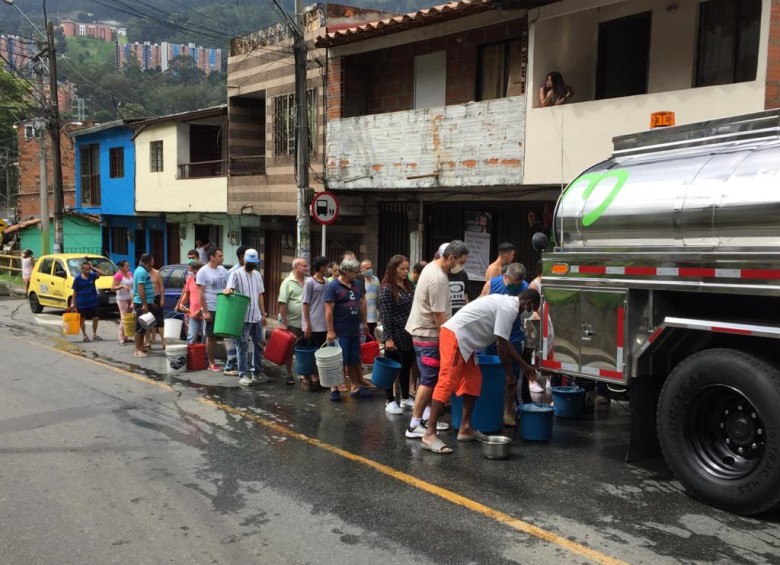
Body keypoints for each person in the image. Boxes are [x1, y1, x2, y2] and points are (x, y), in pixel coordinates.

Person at [420, 290, 540, 453]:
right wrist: (524, 366)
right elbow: (503, 343)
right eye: (532, 309)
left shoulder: (508, 305)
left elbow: (500, 345)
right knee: (447, 381)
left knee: (474, 379)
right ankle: (429, 433)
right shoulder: (508, 308)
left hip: (466, 342)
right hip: (455, 336)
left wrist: (510, 373)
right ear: (528, 304)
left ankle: (466, 427)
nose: (530, 313)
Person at [405, 240, 470, 439]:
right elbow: (439, 316)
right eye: (461, 261)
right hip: (428, 335)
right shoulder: (439, 279)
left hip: (423, 332)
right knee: (429, 379)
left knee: (428, 378)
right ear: (451, 258)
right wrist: (448, 342)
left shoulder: (432, 268)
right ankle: (414, 425)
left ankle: (422, 420)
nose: (461, 266)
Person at [484, 262, 533, 425]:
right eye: (512, 284)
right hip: (491, 336)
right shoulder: (492, 284)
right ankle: (490, 408)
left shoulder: (526, 289)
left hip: (513, 336)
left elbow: (532, 314)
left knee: (512, 377)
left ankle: (508, 412)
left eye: (518, 285)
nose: (514, 288)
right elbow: (481, 302)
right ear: (505, 277)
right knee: (490, 375)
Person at [324, 257, 373, 402]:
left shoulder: (357, 284)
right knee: (338, 361)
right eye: (354, 272)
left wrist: (364, 322)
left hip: (354, 329)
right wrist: (330, 330)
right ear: (345, 271)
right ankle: (334, 388)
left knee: (354, 359)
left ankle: (355, 387)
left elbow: (362, 303)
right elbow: (328, 310)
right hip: (340, 330)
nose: (357, 274)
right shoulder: (333, 286)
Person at [378, 254, 416, 414]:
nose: (405, 272)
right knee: (391, 369)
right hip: (394, 334)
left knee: (406, 367)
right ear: (393, 270)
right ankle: (390, 400)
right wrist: (388, 338)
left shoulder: (408, 286)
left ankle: (406, 398)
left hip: (408, 333)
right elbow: (386, 315)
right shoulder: (387, 289)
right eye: (402, 269)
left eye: (407, 269)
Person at [224, 248, 267, 386]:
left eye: (255, 263)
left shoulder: (257, 275)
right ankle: (243, 374)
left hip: (256, 316)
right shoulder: (235, 274)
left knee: (260, 343)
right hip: (242, 317)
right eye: (250, 262)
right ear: (244, 260)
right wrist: (228, 291)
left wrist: (263, 313)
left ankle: (258, 372)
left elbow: (260, 294)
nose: (253, 265)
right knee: (242, 346)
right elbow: (229, 289)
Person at [196, 247, 228, 371]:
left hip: (223, 307)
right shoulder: (203, 272)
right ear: (212, 257)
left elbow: (228, 286)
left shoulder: (222, 270)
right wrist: (206, 311)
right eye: (220, 256)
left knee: (225, 334)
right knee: (211, 336)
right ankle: (211, 362)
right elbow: (201, 293)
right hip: (211, 307)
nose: (222, 258)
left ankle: (229, 360)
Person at [301, 256, 330, 391]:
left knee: (321, 351)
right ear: (321, 267)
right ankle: (310, 376)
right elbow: (305, 304)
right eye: (326, 266)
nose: (328, 268)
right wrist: (307, 324)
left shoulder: (327, 282)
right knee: (311, 351)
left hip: (324, 324)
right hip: (313, 323)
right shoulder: (309, 283)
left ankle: (318, 375)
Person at [278, 257, 308, 385]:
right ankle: (289, 374)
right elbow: (282, 303)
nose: (306, 268)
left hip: (305, 322)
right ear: (295, 267)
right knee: (290, 350)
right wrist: (284, 323)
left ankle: (304, 373)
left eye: (306, 266)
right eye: (304, 266)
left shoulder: (308, 281)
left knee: (305, 349)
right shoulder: (287, 282)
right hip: (292, 323)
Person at [223, 246, 247, 377]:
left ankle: (240, 364)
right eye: (246, 256)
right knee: (233, 339)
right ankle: (229, 366)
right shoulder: (232, 272)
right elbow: (228, 291)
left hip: (246, 310)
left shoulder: (251, 271)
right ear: (240, 257)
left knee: (242, 339)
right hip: (235, 309)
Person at [70, 260, 106, 342]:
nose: (87, 271)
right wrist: (73, 302)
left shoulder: (92, 275)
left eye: (88, 269)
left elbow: (103, 273)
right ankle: (85, 335)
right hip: (81, 302)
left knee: (96, 318)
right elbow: (75, 291)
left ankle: (94, 334)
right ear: (82, 269)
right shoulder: (77, 278)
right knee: (82, 319)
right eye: (85, 269)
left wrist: (93, 267)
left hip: (93, 301)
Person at [176, 260, 205, 345]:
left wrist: (200, 310)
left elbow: (209, 297)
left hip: (205, 313)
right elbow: (187, 292)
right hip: (193, 313)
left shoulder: (205, 279)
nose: (190, 273)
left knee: (205, 336)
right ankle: (190, 356)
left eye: (191, 271)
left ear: (197, 271)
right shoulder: (190, 278)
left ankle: (205, 356)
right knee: (192, 336)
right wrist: (181, 303)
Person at [132, 254, 155, 357]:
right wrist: (145, 304)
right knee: (140, 326)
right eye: (152, 260)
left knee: (143, 325)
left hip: (144, 302)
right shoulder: (142, 272)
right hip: (141, 303)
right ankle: (137, 350)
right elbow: (140, 289)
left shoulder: (140, 270)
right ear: (149, 261)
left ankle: (141, 347)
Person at [145, 256, 166, 350]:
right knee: (147, 322)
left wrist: (162, 299)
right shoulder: (142, 273)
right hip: (146, 300)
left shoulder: (157, 272)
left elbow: (161, 286)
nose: (151, 264)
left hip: (156, 298)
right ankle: (147, 342)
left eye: (152, 262)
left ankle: (164, 343)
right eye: (150, 262)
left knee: (160, 322)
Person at [112, 260, 134, 345]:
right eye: (126, 266)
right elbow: (113, 288)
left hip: (130, 297)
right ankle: (121, 338)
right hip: (122, 298)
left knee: (128, 317)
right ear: (121, 267)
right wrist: (122, 286)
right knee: (124, 318)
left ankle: (126, 336)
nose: (128, 267)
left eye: (128, 266)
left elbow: (132, 286)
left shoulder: (130, 274)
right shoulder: (118, 275)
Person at [360, 259, 380, 337]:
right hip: (362, 318)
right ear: (361, 269)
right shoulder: (359, 280)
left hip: (373, 317)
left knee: (372, 340)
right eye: (367, 268)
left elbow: (379, 296)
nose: (369, 270)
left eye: (370, 268)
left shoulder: (376, 280)